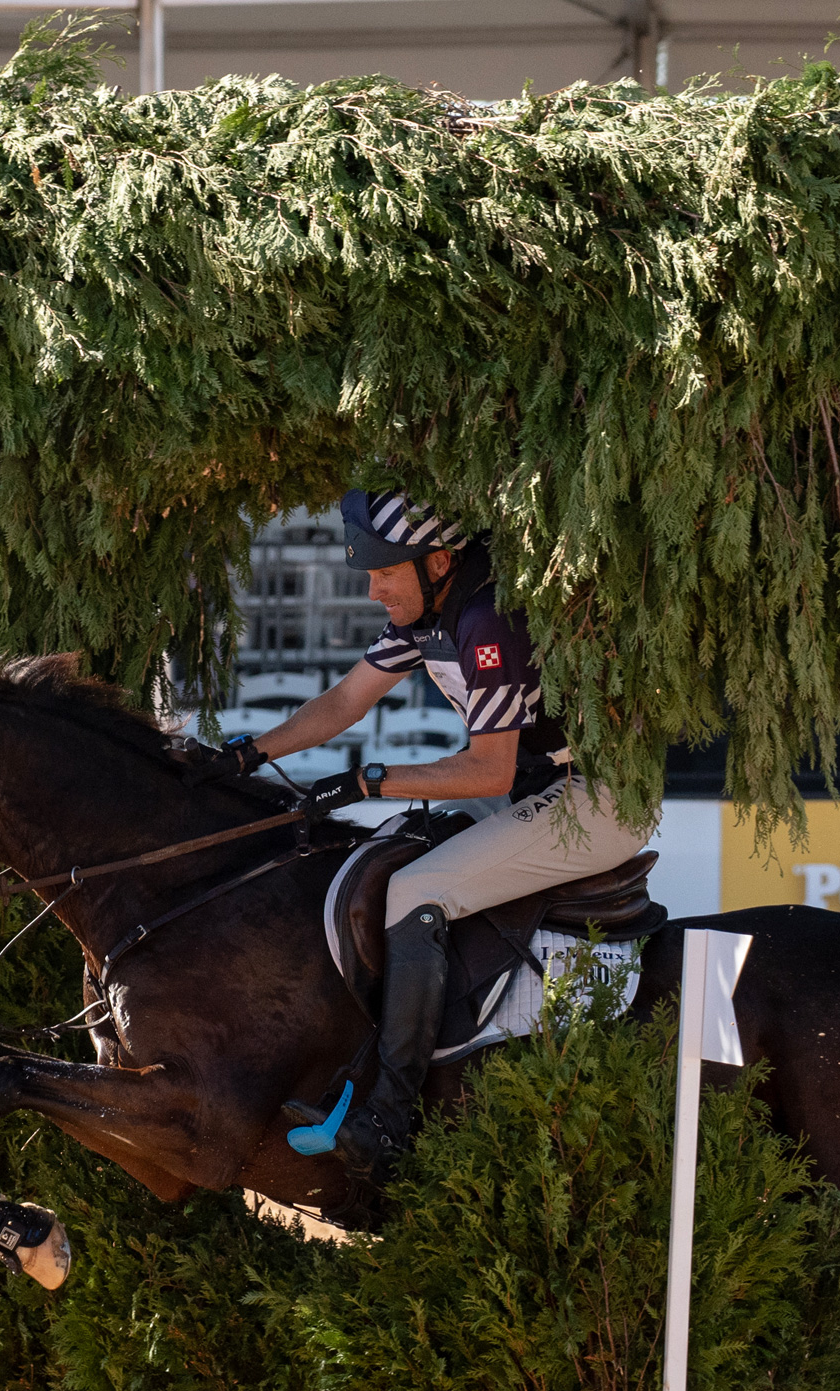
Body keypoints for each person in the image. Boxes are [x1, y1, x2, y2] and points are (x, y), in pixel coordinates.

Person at [186, 488, 655, 1179]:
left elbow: (487, 768)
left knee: (417, 887)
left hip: (599, 798)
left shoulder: (486, 616)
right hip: (539, 788)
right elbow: (345, 700)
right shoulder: (428, 608)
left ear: (437, 560)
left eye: (383, 572)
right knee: (383, 857)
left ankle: (389, 1118)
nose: (373, 589)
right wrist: (249, 754)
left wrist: (371, 780)